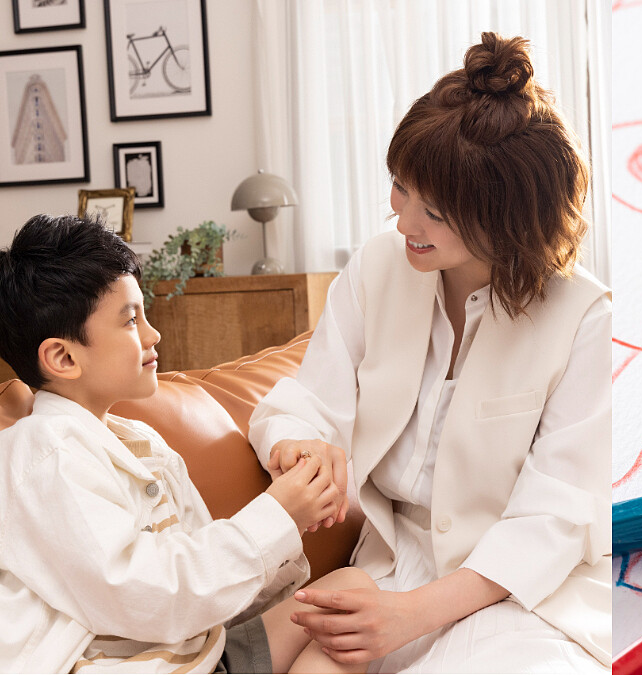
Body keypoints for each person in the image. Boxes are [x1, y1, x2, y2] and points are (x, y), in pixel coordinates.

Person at [247, 32, 611, 672]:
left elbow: (553, 520)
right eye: (399, 188)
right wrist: (299, 445)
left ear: (508, 217)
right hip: (385, 569)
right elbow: (305, 404)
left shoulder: (583, 317)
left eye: (433, 210)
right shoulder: (377, 268)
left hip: (521, 597)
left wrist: (410, 618)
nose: (404, 221)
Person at [0, 214, 377, 674]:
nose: (153, 334)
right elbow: (144, 596)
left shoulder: (143, 443)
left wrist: (295, 517)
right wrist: (277, 515)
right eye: (130, 320)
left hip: (202, 654)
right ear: (63, 356)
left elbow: (206, 580)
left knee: (353, 591)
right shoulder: (44, 453)